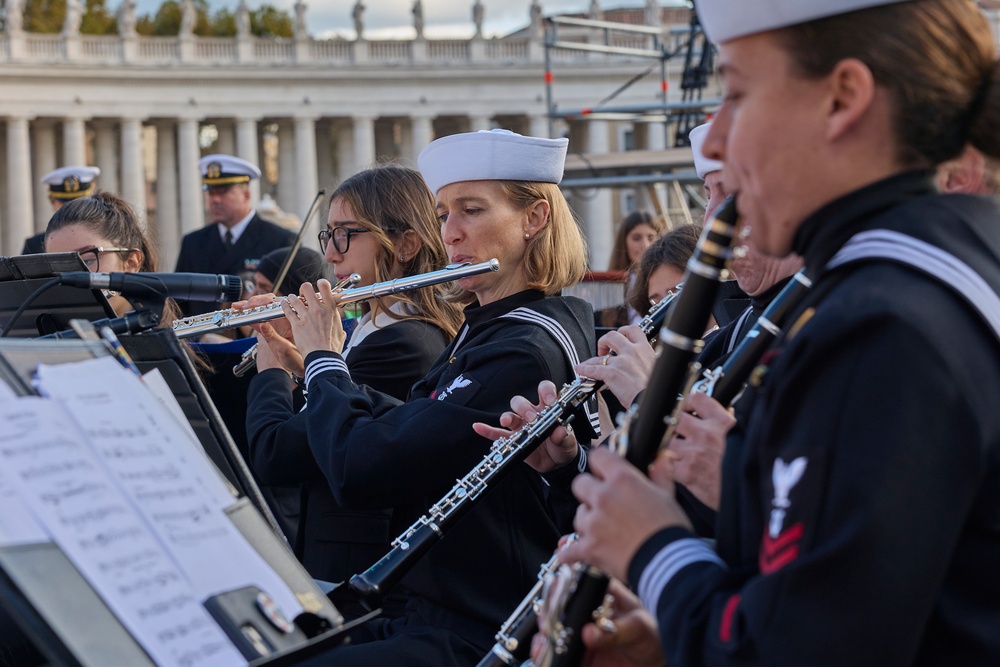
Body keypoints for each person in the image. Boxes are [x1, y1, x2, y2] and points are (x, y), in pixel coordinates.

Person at [556, 1, 1000, 665]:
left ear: (843, 97)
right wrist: (678, 628)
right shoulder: (957, 252)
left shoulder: (875, 323)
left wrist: (654, 550)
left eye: (736, 91)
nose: (711, 141)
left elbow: (790, 650)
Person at [282, 129, 598, 666]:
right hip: (421, 606)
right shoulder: (488, 327)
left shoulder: (525, 345)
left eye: (470, 210)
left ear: (534, 218)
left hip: (477, 628)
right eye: (444, 214)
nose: (450, 233)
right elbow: (414, 421)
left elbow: (362, 466)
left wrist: (323, 359)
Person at [244, 165, 464, 590]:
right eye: (328, 235)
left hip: (359, 567)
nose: (330, 254)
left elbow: (275, 453)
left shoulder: (402, 344)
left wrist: (269, 368)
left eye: (346, 233)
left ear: (405, 244)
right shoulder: (369, 328)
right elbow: (335, 398)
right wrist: (295, 355)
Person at [174, 153, 295, 317]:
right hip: (202, 340)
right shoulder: (193, 242)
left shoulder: (280, 240)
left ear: (246, 195)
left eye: (223, 192)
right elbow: (178, 303)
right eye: (211, 193)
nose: (215, 200)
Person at [44, 191, 176, 320]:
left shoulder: (166, 341)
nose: (70, 280)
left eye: (87, 261)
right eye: (58, 268)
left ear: (131, 263)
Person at [599, 210, 666, 328]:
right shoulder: (610, 286)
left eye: (651, 238)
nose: (645, 245)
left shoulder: (667, 284)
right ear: (624, 242)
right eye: (636, 238)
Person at [22, 165, 101, 254]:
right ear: (52, 201)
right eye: (64, 204)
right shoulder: (33, 246)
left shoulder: (106, 235)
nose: (72, 209)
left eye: (79, 203)